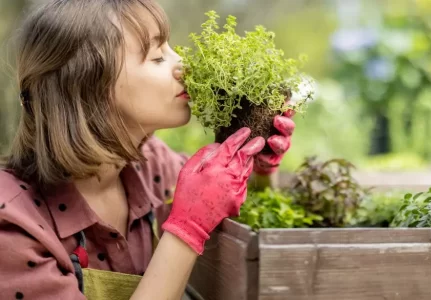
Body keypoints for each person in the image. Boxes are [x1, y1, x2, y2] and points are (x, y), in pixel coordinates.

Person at [0, 0, 296, 299]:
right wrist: (187, 230)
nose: (183, 66)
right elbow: (194, 220)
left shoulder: (154, 165)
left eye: (169, 48)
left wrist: (257, 170)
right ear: (89, 86)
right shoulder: (11, 224)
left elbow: (235, 212)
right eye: (156, 57)